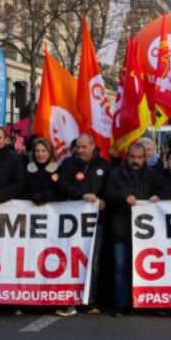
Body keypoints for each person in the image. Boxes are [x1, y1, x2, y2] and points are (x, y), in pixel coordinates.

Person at [56, 133, 110, 317]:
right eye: (78, 147)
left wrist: (103, 200)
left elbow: (110, 189)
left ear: (93, 146)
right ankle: (69, 298)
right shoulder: (68, 164)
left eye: (84, 147)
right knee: (70, 260)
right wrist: (82, 195)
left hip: (95, 222)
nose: (80, 150)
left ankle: (90, 300)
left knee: (92, 262)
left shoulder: (104, 165)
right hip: (71, 222)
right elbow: (62, 185)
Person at [104, 141, 157, 316]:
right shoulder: (116, 174)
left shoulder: (152, 174)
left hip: (144, 231)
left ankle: (139, 303)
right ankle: (120, 304)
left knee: (142, 268)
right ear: (127, 157)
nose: (135, 161)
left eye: (139, 158)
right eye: (132, 157)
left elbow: (159, 191)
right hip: (120, 227)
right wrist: (123, 197)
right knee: (120, 266)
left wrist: (156, 197)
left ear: (145, 158)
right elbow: (108, 195)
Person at [23, 137, 63, 205]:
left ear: (49, 152)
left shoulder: (58, 169)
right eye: (37, 151)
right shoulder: (27, 168)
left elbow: (61, 192)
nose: (40, 154)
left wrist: (45, 197)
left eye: (43, 151)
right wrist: (33, 197)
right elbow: (22, 190)